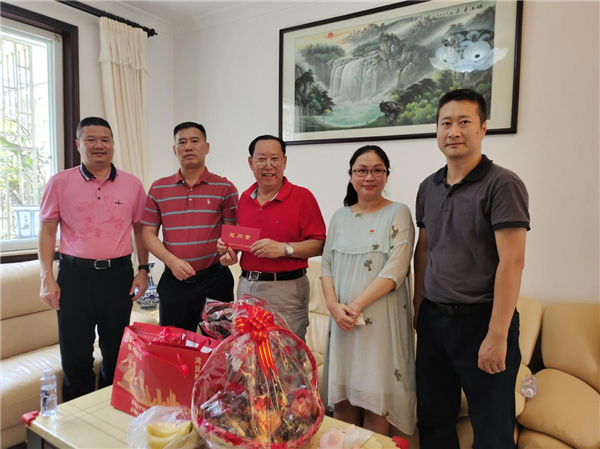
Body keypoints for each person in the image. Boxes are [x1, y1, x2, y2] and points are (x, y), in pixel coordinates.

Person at [414, 89, 529, 449]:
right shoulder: (428, 187)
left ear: (482, 128)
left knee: (492, 427)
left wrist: (497, 335)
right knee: (433, 418)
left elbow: (513, 261)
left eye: (464, 122)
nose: (454, 131)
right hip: (434, 319)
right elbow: (425, 248)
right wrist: (419, 306)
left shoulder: (502, 184)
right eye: (445, 123)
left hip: (482, 320)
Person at [38, 117, 149, 401]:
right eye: (91, 139)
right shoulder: (59, 183)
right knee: (75, 358)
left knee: (117, 355)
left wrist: (143, 269)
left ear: (113, 144)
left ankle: (109, 415)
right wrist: (46, 277)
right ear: (78, 144)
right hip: (74, 277)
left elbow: (140, 230)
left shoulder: (133, 184)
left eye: (105, 139)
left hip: (118, 276)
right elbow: (48, 232)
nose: (99, 145)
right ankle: (76, 422)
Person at [320, 145, 416, 436]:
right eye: (361, 170)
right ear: (351, 175)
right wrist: (334, 307)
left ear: (386, 175)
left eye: (377, 170)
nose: (369, 177)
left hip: (378, 325)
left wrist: (354, 306)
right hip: (342, 322)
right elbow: (326, 267)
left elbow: (396, 270)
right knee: (342, 400)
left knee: (376, 403)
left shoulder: (398, 213)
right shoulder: (340, 217)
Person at [218, 135, 326, 340]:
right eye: (261, 159)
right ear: (251, 163)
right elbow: (242, 243)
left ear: (284, 162)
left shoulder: (303, 197)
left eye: (275, 159)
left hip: (287, 290)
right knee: (248, 352)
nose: (268, 165)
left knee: (287, 352)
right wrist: (228, 253)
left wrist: (284, 248)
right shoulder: (244, 199)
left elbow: (319, 244)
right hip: (247, 285)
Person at [142, 122, 238, 332]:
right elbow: (147, 234)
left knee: (218, 345)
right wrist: (171, 261)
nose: (188, 147)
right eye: (182, 142)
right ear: (174, 149)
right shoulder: (158, 188)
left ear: (207, 147)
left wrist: (230, 253)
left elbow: (232, 234)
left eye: (195, 141)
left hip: (215, 281)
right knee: (174, 346)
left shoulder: (225, 188)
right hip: (174, 282)